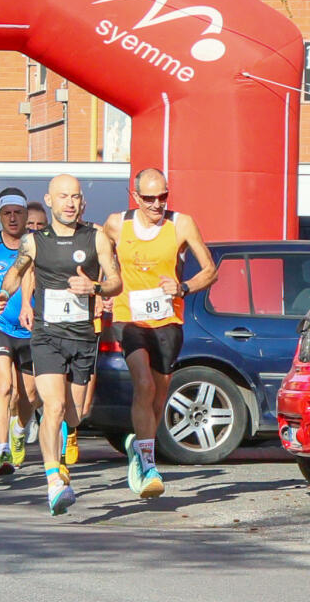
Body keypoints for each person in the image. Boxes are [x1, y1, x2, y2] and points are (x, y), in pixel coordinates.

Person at [0, 174, 122, 515]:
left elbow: (116, 283)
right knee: (53, 407)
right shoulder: (35, 242)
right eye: (63, 196)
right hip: (47, 335)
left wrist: (93, 287)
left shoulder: (97, 238)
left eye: (75, 197)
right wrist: (4, 294)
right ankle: (53, 481)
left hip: (81, 335)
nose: (70, 202)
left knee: (76, 414)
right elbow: (16, 272)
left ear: (83, 202)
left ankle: (63, 447)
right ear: (49, 201)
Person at [103, 168, 216, 499]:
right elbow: (101, 253)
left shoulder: (181, 223)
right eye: (149, 198)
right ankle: (148, 463)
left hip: (168, 319)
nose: (157, 204)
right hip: (129, 317)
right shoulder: (116, 223)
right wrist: (102, 289)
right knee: (144, 384)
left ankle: (139, 444)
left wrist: (182, 287)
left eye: (162, 197)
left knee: (158, 394)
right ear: (135, 196)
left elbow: (210, 270)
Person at [0, 189, 38, 474]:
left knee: (30, 395)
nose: (13, 218)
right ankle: (2, 451)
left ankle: (19, 430)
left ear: (26, 216)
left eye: (18, 212)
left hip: (31, 329)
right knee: (4, 386)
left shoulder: (37, 244)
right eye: (7, 213)